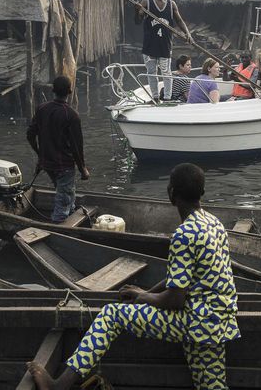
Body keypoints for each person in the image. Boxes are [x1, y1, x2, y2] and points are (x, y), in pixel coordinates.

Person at [25, 163, 240, 390]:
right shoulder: (215, 224)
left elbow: (175, 300)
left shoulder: (184, 234)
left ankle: (59, 386)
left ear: (171, 194)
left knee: (111, 315)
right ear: (202, 193)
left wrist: (143, 298)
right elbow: (179, 278)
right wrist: (147, 292)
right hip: (220, 321)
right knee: (211, 386)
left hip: (196, 321)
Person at [26, 76, 90, 223]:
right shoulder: (71, 115)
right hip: (64, 166)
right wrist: (83, 170)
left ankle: (71, 218)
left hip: (47, 164)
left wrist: (40, 155)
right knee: (63, 203)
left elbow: (30, 135)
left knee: (66, 195)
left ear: (53, 90)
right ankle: (58, 229)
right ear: (70, 91)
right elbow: (76, 147)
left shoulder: (42, 109)